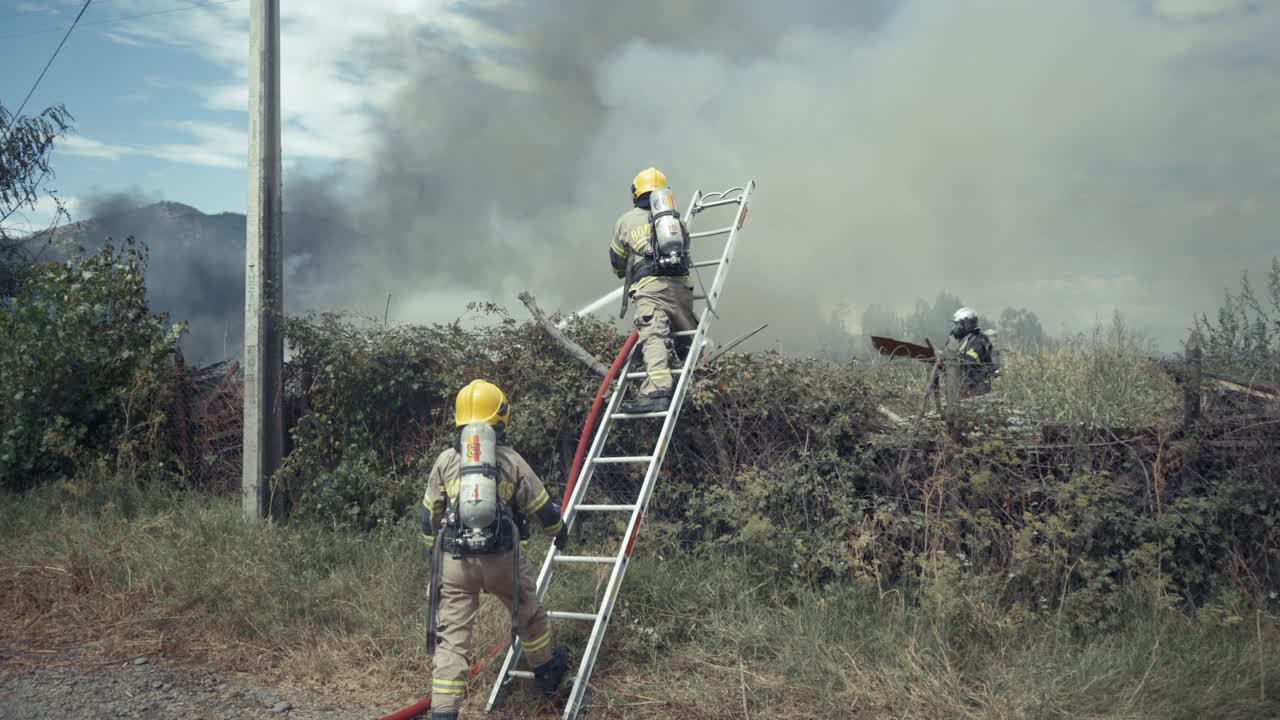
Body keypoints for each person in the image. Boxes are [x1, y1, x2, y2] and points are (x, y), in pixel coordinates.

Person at [421, 379, 571, 720]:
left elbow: (426, 516)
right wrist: (559, 535)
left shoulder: (445, 460)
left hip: (455, 562)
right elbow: (544, 510)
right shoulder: (511, 460)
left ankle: (444, 712)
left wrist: (434, 552)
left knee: (453, 639)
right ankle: (547, 674)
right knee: (528, 614)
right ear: (501, 418)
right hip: (503, 558)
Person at [609, 166, 698, 414]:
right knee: (688, 338)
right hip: (681, 289)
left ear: (636, 193)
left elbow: (616, 262)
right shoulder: (677, 221)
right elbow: (686, 256)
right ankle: (704, 373)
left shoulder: (625, 221)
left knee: (654, 336)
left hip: (649, 289)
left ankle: (657, 389)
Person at [950, 307, 997, 398]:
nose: (956, 328)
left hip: (978, 387)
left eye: (958, 324)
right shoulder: (965, 340)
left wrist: (951, 358)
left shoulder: (978, 341)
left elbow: (969, 360)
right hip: (967, 385)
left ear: (967, 325)